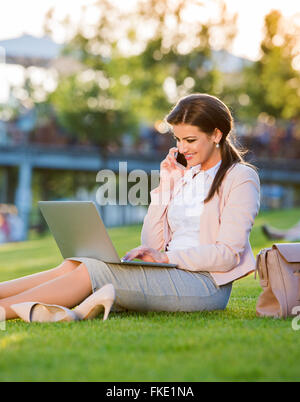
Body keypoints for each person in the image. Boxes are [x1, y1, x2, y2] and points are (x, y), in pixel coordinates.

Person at [0, 93, 260, 322]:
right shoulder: (185, 176)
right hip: (169, 271)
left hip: (206, 284)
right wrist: (166, 185)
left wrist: (168, 258)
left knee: (94, 271)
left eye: (190, 140)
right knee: (77, 263)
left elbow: (228, 254)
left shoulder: (240, 177)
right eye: (178, 139)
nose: (182, 148)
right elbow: (152, 241)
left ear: (216, 134)